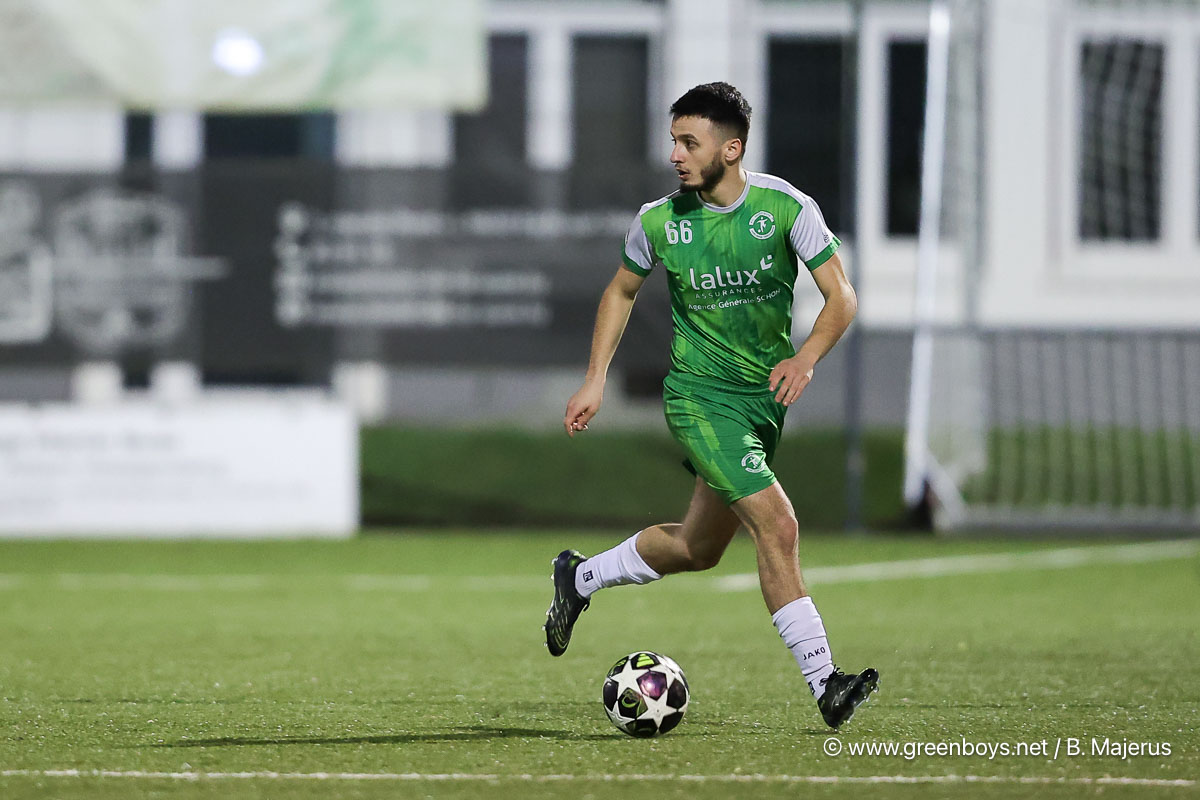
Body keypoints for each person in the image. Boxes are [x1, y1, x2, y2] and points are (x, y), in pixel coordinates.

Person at [543, 82, 877, 729]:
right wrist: (594, 379)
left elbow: (842, 297)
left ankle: (578, 579)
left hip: (760, 406)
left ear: (732, 148)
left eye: (689, 142)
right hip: (699, 399)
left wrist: (806, 357)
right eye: (673, 141)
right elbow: (620, 292)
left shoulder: (785, 208)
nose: (675, 154)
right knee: (778, 526)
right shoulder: (658, 221)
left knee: (697, 549)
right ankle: (826, 683)